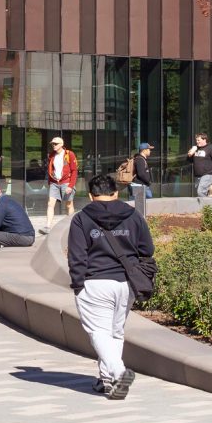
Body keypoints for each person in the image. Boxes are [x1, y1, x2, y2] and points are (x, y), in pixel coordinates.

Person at [68, 168, 156, 401]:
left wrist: (78, 284)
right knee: (115, 332)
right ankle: (108, 382)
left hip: (94, 283)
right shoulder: (133, 215)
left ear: (90, 196)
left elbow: (77, 256)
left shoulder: (81, 219)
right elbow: (147, 249)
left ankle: (118, 372)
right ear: (116, 193)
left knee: (99, 332)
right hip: (126, 283)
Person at [45, 135, 79, 223]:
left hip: (66, 182)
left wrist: (71, 186)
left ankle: (70, 224)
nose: (53, 145)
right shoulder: (52, 155)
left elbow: (74, 171)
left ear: (61, 144)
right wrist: (50, 182)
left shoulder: (69, 154)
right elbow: (51, 169)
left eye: (55, 144)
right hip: (54, 183)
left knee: (69, 205)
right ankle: (48, 225)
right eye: (52, 144)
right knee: (50, 204)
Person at [186, 132, 212, 204]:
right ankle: (209, 206)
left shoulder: (211, 148)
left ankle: (206, 207)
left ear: (204, 139)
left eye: (199, 140)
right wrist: (190, 153)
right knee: (202, 193)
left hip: (208, 174)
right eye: (196, 140)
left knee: (200, 192)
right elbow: (189, 160)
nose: (197, 142)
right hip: (197, 176)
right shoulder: (196, 149)